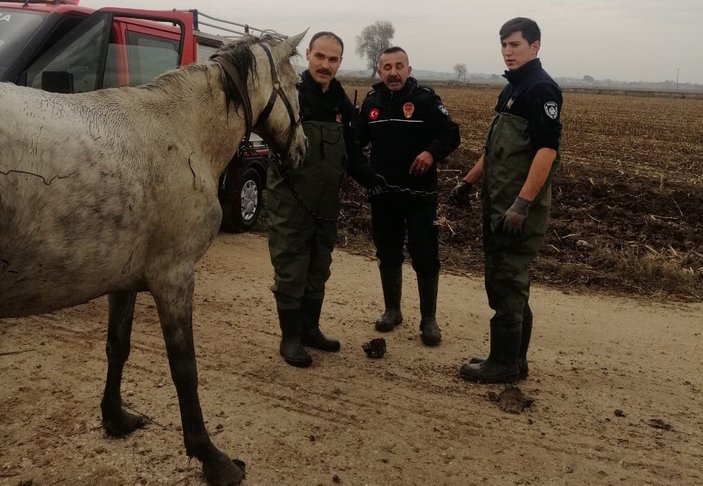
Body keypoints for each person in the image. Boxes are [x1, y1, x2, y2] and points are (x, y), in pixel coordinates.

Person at [451, 17, 563, 383]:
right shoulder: (512, 89)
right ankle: (513, 357)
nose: (507, 51)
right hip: (498, 203)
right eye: (503, 44)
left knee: (507, 282)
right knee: (506, 281)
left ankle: (504, 364)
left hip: (517, 208)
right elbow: (496, 151)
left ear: (535, 46)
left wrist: (522, 203)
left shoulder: (541, 89)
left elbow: (546, 151)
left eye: (514, 44)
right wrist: (468, 182)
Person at [267, 31, 386, 368]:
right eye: (320, 57)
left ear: (340, 62)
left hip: (326, 202)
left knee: (319, 266)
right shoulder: (289, 94)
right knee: (291, 268)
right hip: (290, 199)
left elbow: (352, 149)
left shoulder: (340, 101)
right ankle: (289, 338)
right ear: (308, 54)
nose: (325, 65)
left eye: (333, 59)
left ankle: (310, 330)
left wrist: (369, 177)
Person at [358, 46, 460, 346]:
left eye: (399, 66)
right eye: (387, 67)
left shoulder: (425, 100)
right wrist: (364, 173)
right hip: (383, 195)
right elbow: (357, 142)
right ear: (380, 72)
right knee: (387, 252)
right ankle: (392, 311)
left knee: (425, 256)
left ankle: (429, 320)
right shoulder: (371, 102)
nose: (393, 72)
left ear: (409, 70)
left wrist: (431, 152)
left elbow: (452, 134)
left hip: (420, 196)